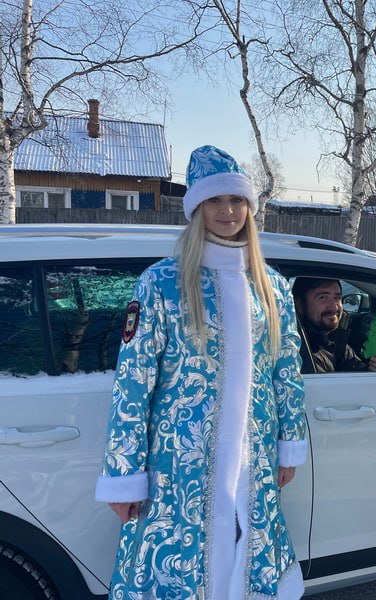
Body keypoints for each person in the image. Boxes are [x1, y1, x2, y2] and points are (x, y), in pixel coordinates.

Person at [95, 145, 307, 599]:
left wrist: (289, 445)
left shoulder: (271, 287)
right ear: (197, 209)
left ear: (249, 208)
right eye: (214, 201)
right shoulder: (162, 283)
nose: (227, 211)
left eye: (236, 200)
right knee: (185, 570)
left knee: (245, 563)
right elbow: (133, 383)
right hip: (180, 464)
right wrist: (124, 473)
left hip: (254, 458)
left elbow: (285, 370)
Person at [292, 276, 376, 373]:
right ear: (299, 305)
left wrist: (374, 369)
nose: (334, 307)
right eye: (323, 297)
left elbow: (354, 368)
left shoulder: (333, 338)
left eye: (337, 298)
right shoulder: (301, 355)